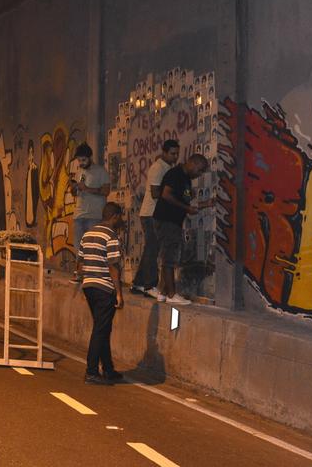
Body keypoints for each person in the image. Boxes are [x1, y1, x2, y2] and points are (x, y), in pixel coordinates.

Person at [153, 154, 212, 305]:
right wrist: (186, 208)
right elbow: (166, 195)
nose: (199, 174)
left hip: (174, 221)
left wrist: (206, 204)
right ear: (192, 163)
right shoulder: (176, 174)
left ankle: (163, 292)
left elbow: (184, 201)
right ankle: (172, 294)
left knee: (170, 255)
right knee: (170, 257)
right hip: (167, 220)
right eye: (199, 170)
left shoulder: (186, 180)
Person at [77, 202, 125, 385]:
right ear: (114, 217)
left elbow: (80, 262)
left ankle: (108, 369)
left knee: (103, 327)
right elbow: (113, 266)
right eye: (120, 217)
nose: (121, 221)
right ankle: (91, 371)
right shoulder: (111, 236)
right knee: (100, 329)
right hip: (104, 288)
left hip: (89, 286)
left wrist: (85, 278)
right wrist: (119, 293)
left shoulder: (87, 234)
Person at [132, 140, 181, 301]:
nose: (175, 156)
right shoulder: (158, 168)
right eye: (172, 153)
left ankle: (138, 283)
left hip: (155, 214)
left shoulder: (168, 168)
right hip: (150, 214)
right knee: (152, 249)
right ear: (164, 152)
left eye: (177, 153)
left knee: (150, 248)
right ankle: (149, 286)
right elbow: (154, 193)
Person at [70, 142, 110, 282]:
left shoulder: (101, 171)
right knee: (79, 246)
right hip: (79, 214)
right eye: (79, 160)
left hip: (94, 215)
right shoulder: (79, 172)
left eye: (83, 160)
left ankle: (94, 275)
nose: (81, 163)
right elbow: (76, 192)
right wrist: (74, 188)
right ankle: (79, 273)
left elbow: (106, 191)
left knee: (93, 246)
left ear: (90, 157)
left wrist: (86, 188)